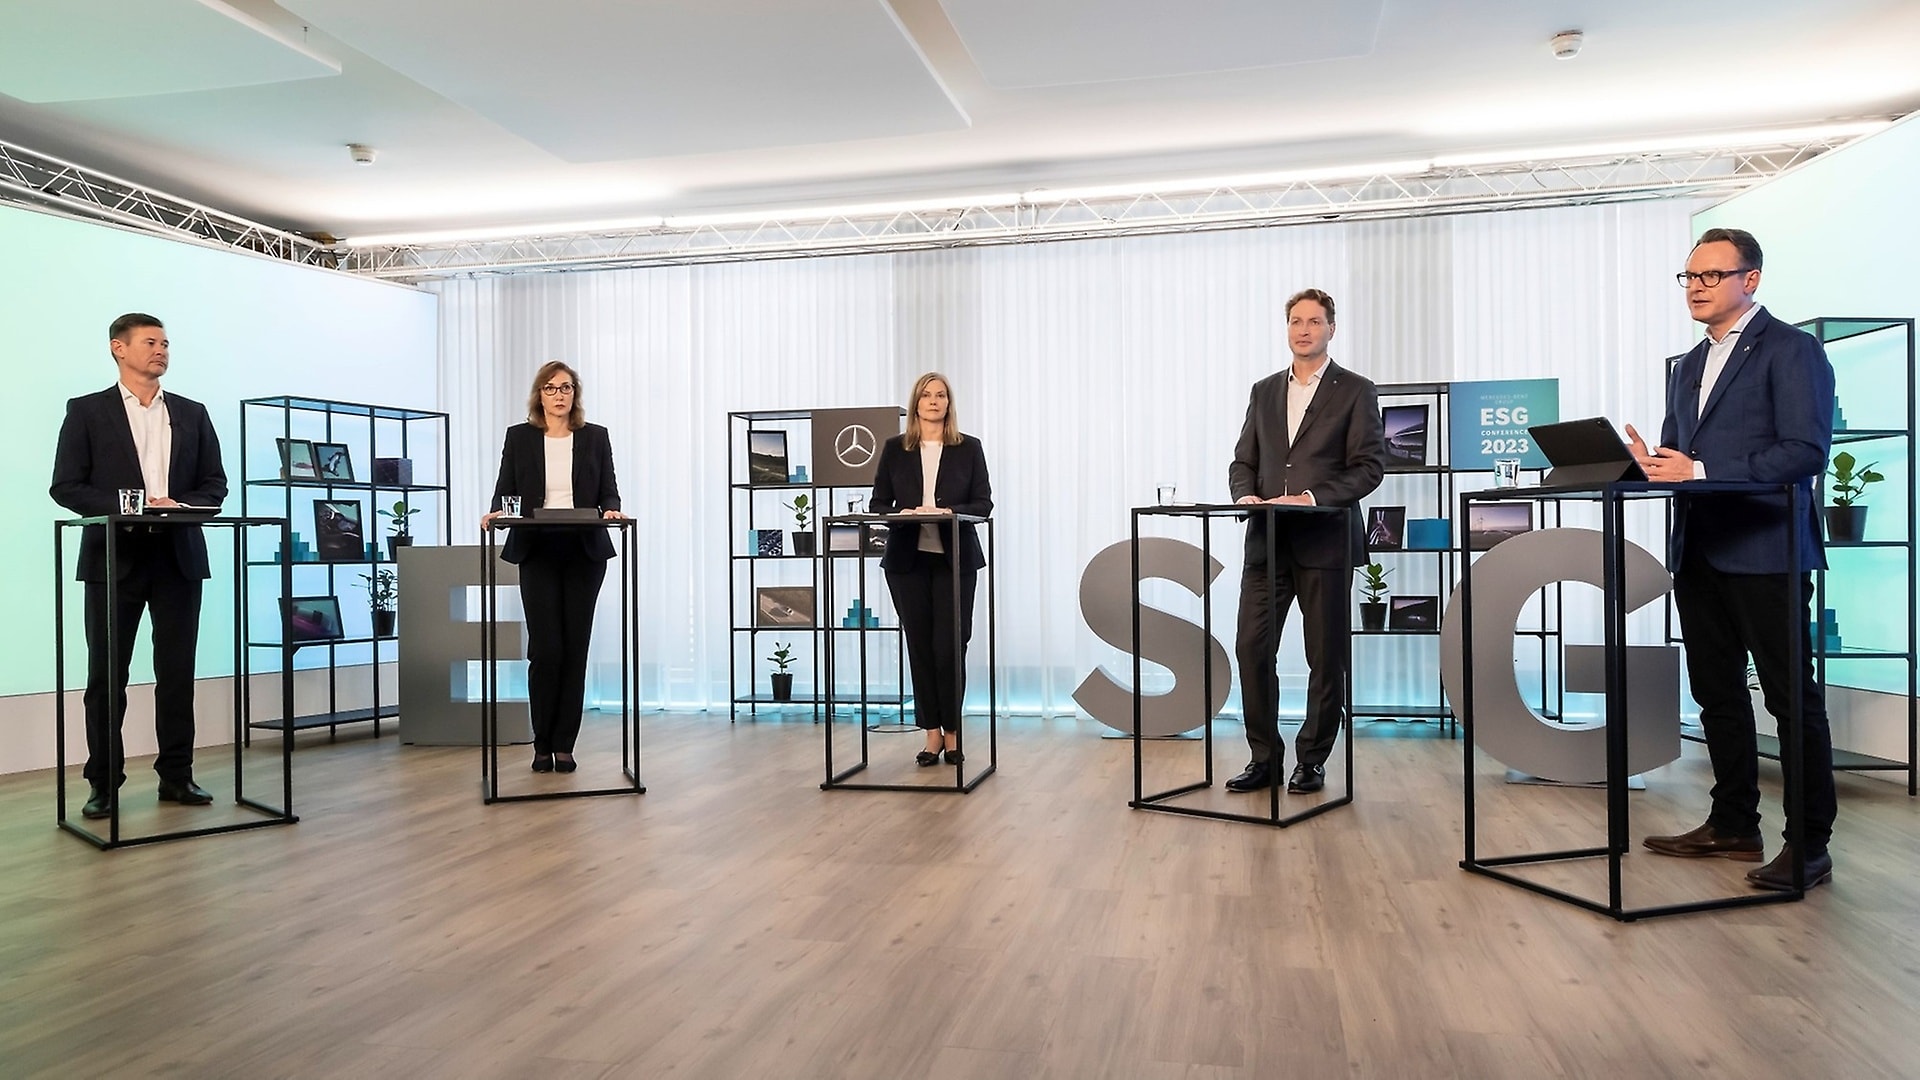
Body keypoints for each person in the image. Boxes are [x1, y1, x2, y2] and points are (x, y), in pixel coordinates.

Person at [1627, 227, 1837, 891]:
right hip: (1700, 551)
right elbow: (1678, 457)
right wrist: (1648, 466)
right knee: (1715, 694)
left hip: (1766, 551)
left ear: (1751, 279)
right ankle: (1733, 823)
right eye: (1688, 277)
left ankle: (1809, 845)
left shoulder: (1792, 351)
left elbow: (1804, 452)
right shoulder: (1687, 364)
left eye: (1710, 276)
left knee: (1789, 700)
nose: (1695, 287)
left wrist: (1701, 468)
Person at [50, 313, 228, 819]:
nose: (161, 351)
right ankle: (103, 784)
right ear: (118, 349)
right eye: (151, 342)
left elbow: (215, 485)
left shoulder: (192, 413)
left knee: (178, 675)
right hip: (115, 558)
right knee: (107, 678)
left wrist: (179, 504)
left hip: (178, 557)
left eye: (166, 343)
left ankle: (177, 776)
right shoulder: (86, 411)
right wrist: (126, 506)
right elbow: (66, 485)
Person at [1227, 289, 1385, 794]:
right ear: (1287, 328)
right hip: (1267, 542)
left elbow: (1370, 467)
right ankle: (1264, 757)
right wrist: (1244, 494)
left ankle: (1311, 759)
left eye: (1314, 322)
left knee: (1325, 657)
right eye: (1295, 321)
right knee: (1251, 649)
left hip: (1325, 542)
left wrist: (1313, 496)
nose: (1303, 329)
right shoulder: (1264, 390)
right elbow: (1243, 460)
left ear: (1330, 330)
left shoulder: (1356, 390)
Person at [482, 361, 625, 773]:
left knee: (574, 649)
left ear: (575, 394)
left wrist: (613, 511)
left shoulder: (595, 437)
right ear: (539, 395)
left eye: (565, 387)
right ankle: (541, 742)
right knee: (546, 650)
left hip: (584, 551)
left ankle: (565, 745)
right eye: (550, 388)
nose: (559, 395)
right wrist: (494, 512)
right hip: (537, 549)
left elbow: (608, 490)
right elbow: (505, 489)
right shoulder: (519, 437)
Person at [869, 373, 993, 765]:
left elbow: (983, 504)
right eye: (927, 395)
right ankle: (932, 736)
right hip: (907, 563)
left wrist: (949, 512)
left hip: (954, 561)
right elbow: (878, 505)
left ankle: (954, 735)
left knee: (951, 649)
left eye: (941, 395)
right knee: (920, 648)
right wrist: (901, 512)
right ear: (916, 403)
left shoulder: (968, 448)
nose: (934, 401)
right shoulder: (895, 448)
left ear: (949, 403)